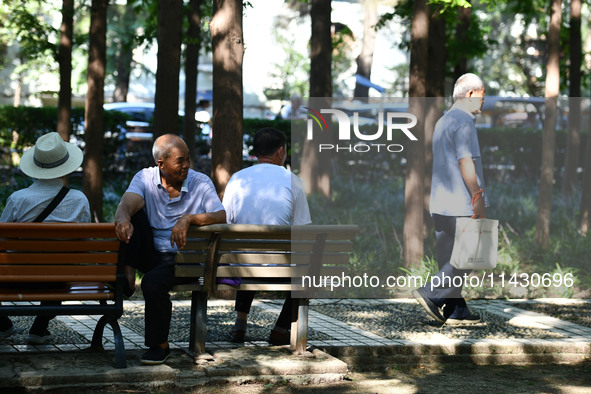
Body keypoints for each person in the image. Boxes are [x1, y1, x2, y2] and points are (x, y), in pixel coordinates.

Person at [114, 134, 225, 365]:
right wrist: (123, 218)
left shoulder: (200, 181)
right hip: (153, 253)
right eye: (180, 161)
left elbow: (220, 215)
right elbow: (126, 203)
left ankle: (160, 346)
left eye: (187, 159)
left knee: (152, 283)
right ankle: (126, 273)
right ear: (161, 164)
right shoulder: (144, 177)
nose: (186, 165)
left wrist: (189, 219)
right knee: (133, 215)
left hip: (185, 257)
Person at [223, 128, 311, 345]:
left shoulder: (237, 179)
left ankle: (240, 326)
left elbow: (226, 223)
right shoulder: (293, 180)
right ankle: (281, 330)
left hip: (241, 269)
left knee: (247, 250)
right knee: (307, 272)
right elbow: (303, 230)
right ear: (280, 151)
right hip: (280, 269)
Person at [412, 73, 488, 326]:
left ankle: (456, 310)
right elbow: (466, 162)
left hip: (441, 204)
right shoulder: (465, 121)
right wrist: (477, 195)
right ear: (470, 94)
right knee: (469, 256)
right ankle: (431, 294)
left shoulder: (443, 121)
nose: (483, 101)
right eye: (482, 95)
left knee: (449, 259)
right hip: (462, 203)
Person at [0, 132, 90, 344]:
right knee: (60, 264)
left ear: (36, 166)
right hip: (60, 279)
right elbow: (86, 244)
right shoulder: (79, 199)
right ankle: (39, 329)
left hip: (17, 278)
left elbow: (2, 240)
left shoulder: (18, 199)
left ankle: (3, 325)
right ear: (65, 166)